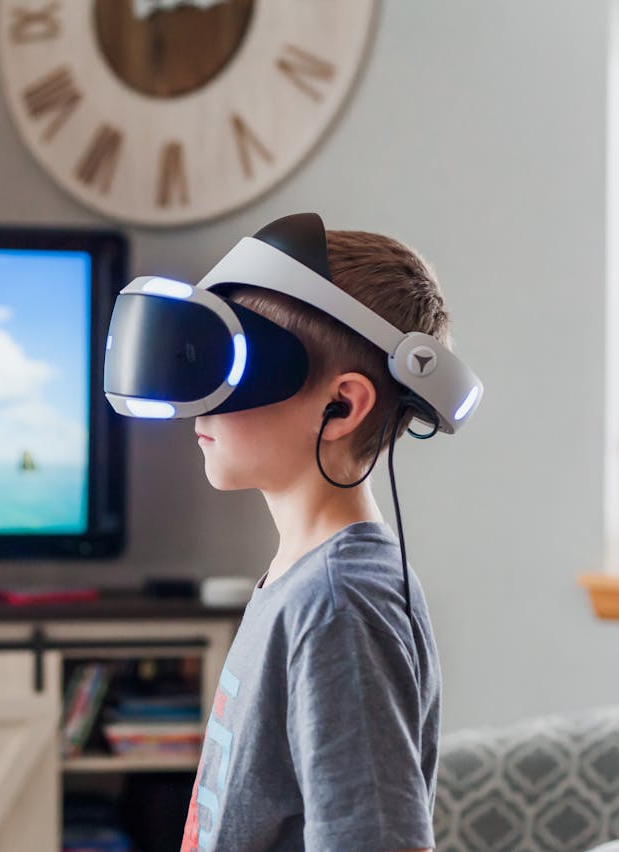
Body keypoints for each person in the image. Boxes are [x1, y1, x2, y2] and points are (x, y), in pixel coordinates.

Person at [178, 222, 450, 851]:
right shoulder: (302, 577)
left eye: (233, 368)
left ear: (342, 406)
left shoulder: (338, 604)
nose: (199, 403)